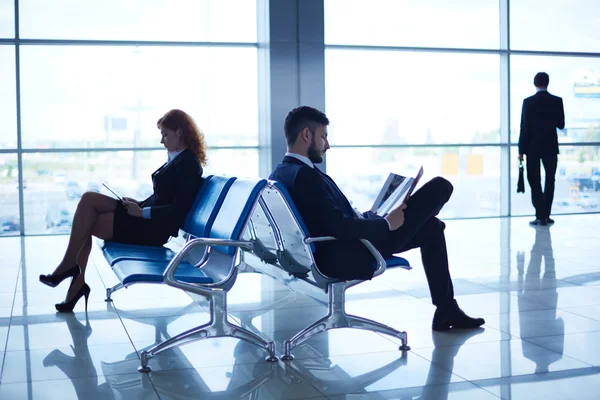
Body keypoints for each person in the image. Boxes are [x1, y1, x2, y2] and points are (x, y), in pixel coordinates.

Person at [269, 106, 485, 331]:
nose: (327, 145)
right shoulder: (305, 176)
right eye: (323, 136)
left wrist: (368, 217)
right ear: (306, 135)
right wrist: (386, 223)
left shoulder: (282, 172)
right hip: (353, 250)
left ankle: (446, 310)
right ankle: (447, 309)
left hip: (339, 245)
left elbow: (327, 218)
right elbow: (337, 226)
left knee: (433, 228)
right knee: (440, 186)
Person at [39, 109, 207, 312]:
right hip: (145, 219)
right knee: (88, 201)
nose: (162, 141)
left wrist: (142, 212)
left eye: (165, 134)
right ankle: (73, 277)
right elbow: (163, 197)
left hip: (152, 229)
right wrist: (139, 203)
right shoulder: (178, 158)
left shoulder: (188, 164)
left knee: (89, 212)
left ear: (179, 131)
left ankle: (72, 275)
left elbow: (177, 211)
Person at [518, 72, 565, 226]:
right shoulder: (557, 101)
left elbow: (524, 129)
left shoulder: (528, 102)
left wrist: (521, 150)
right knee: (550, 180)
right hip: (550, 147)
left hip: (532, 148)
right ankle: (546, 214)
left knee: (535, 181)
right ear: (548, 83)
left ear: (534, 83)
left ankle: (540, 215)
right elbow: (561, 124)